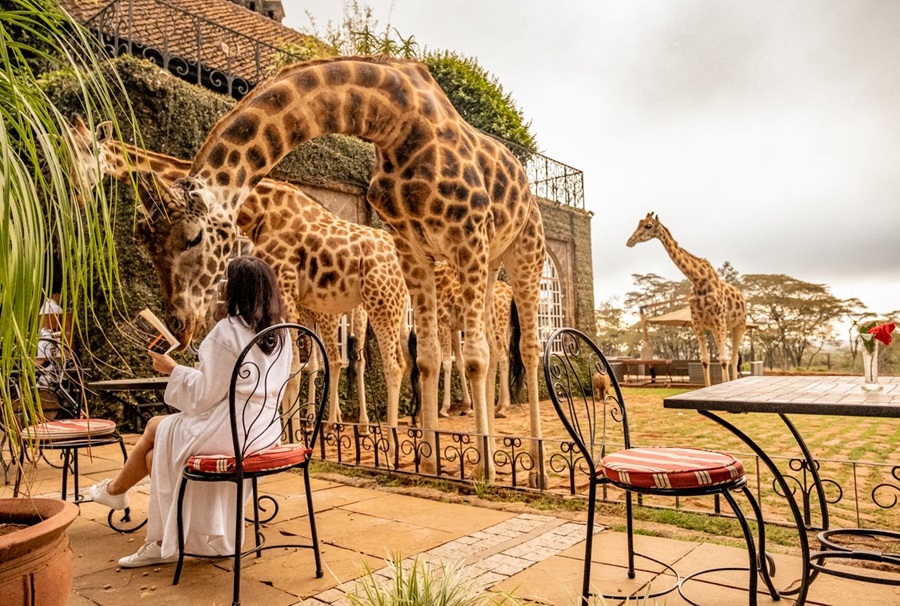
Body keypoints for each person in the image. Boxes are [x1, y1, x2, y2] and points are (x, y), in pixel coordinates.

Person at [88, 256, 290, 568]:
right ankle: (183, 536)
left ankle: (150, 529)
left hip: (229, 433)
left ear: (233, 289)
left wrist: (173, 369)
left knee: (156, 428)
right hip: (263, 431)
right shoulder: (280, 332)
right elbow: (233, 387)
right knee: (155, 456)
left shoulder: (226, 331)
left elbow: (204, 396)